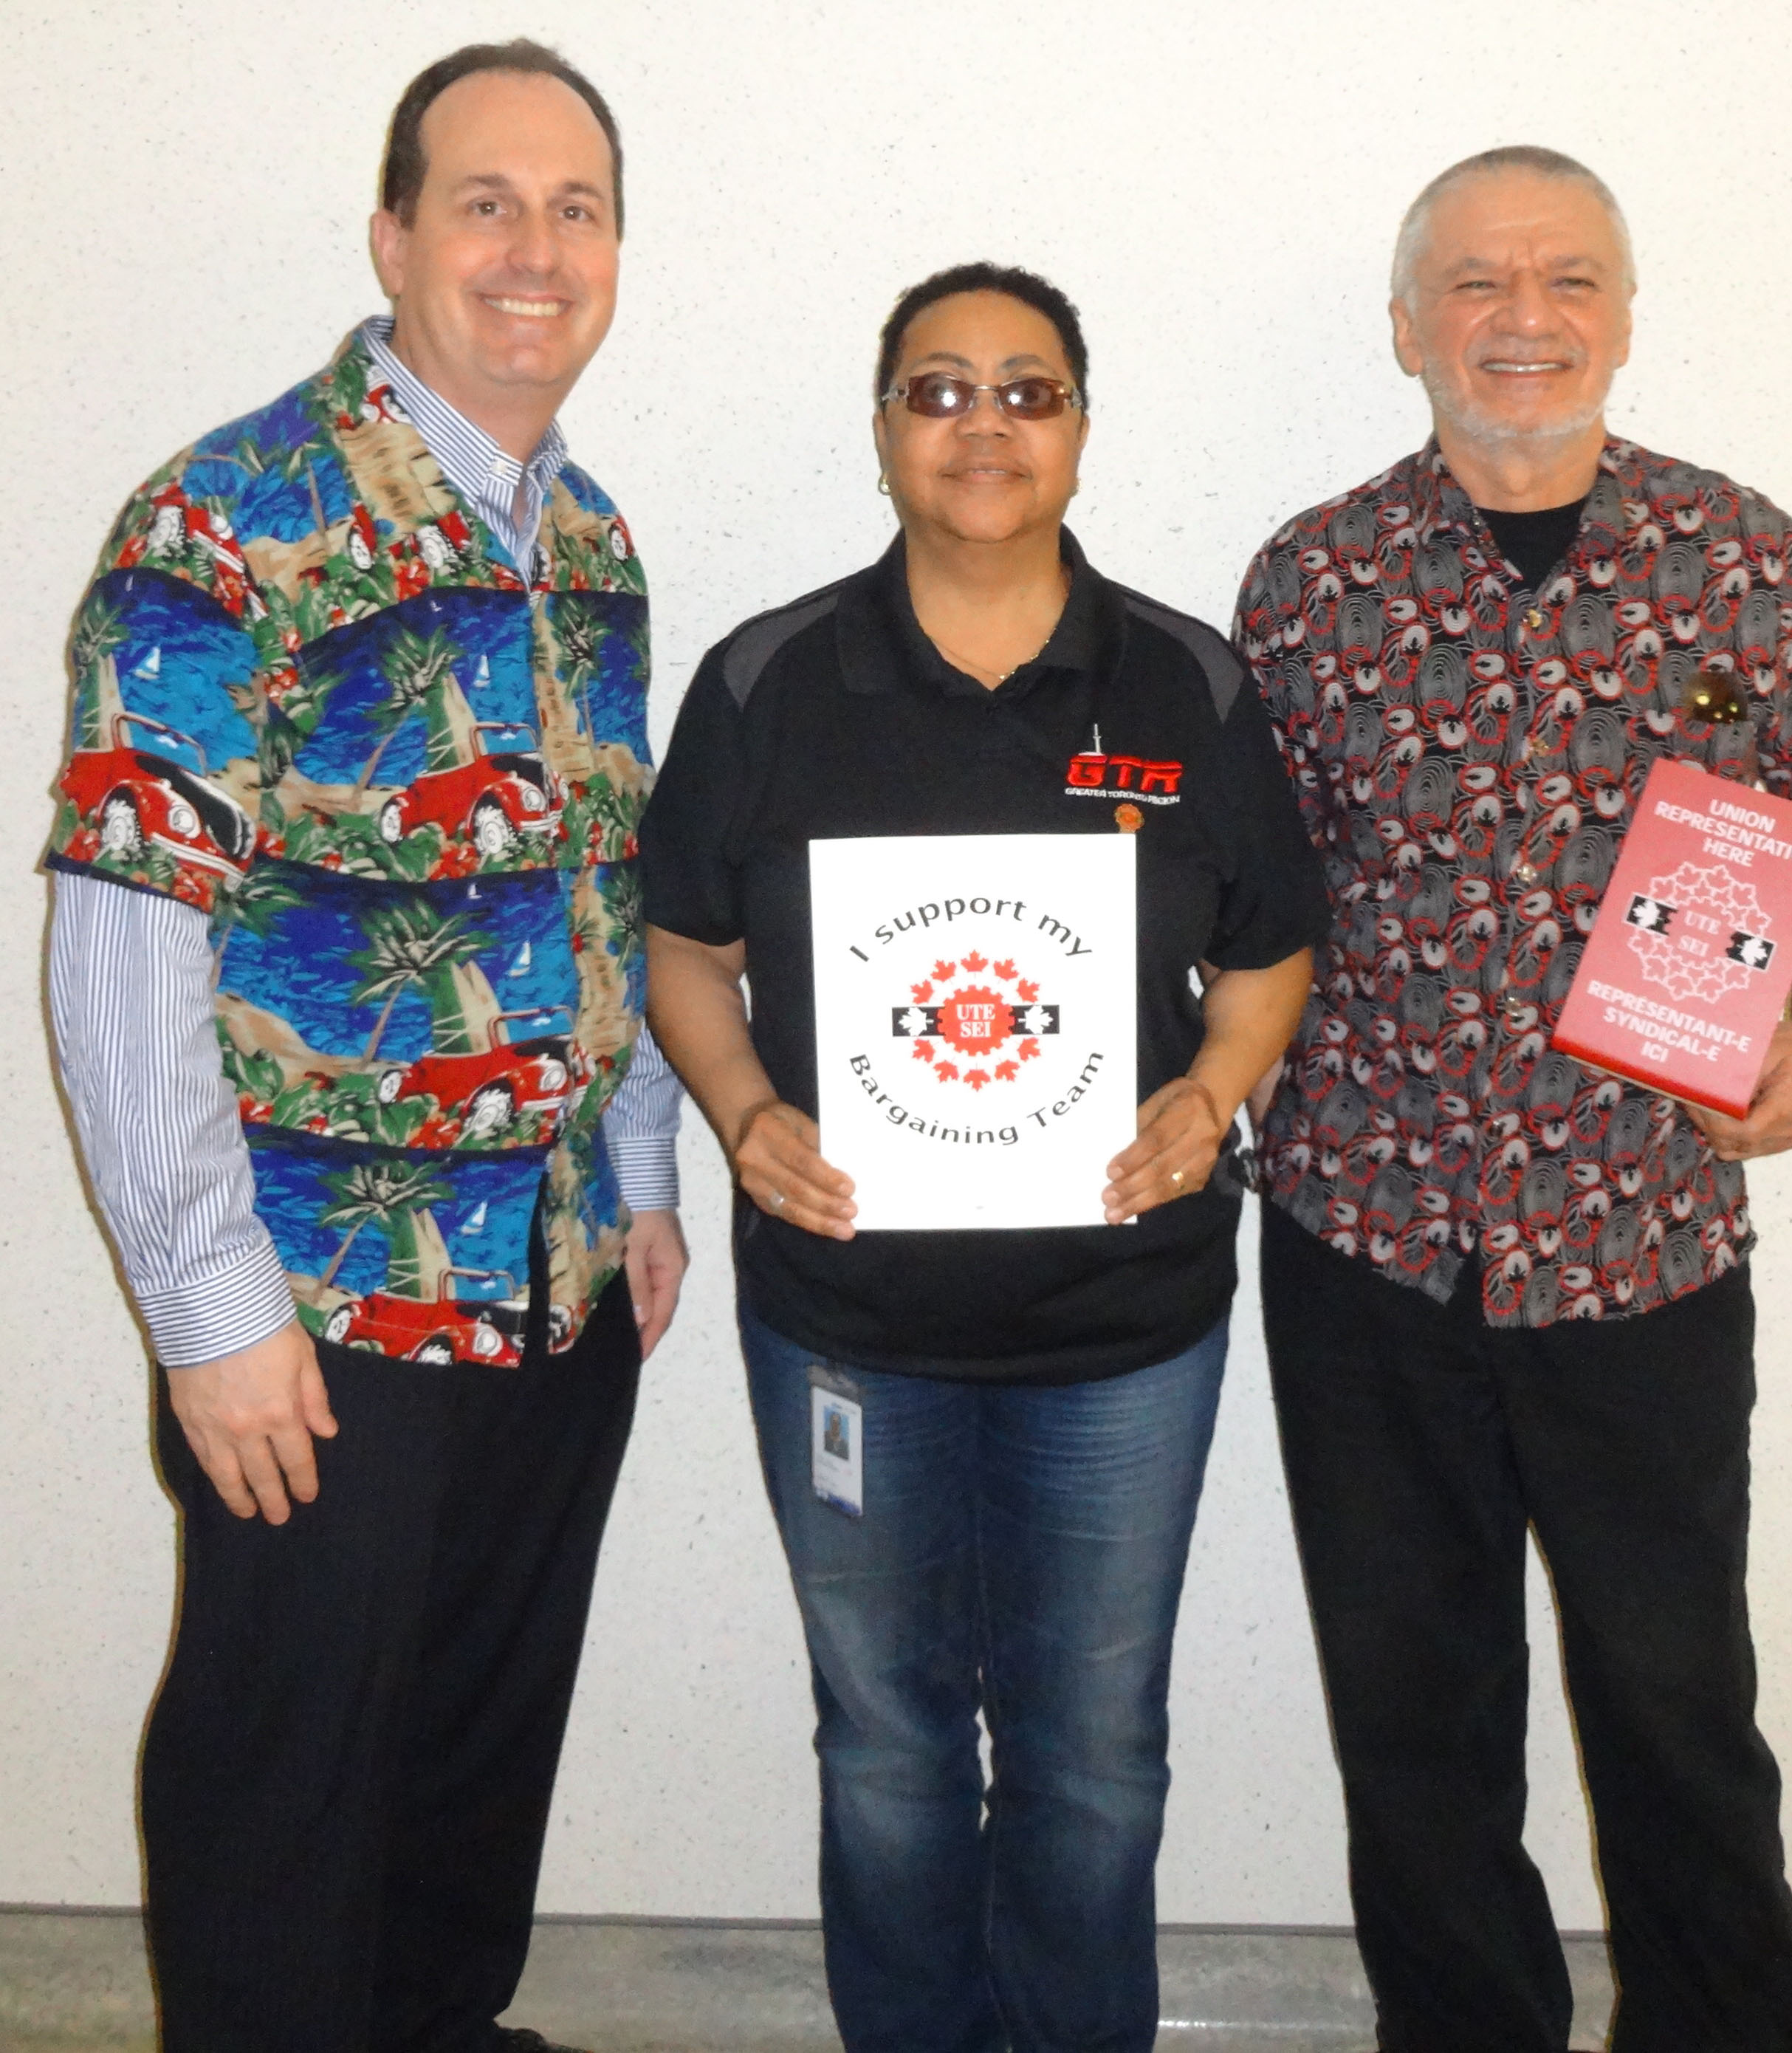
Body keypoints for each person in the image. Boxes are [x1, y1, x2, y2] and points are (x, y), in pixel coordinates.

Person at [44, 40, 685, 2053]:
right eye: (485, 203)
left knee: (473, 1765)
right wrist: (206, 1302)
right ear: (394, 235)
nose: (533, 250)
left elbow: (606, 875)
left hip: (556, 1290)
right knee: (287, 1782)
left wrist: (638, 1176)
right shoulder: (225, 521)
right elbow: (123, 931)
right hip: (318, 1318)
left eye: (575, 210)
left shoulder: (590, 544)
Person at [1235, 147, 1792, 2053]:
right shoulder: (1307, 581)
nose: (1521, 318)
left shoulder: (1736, 556)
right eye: (1473, 282)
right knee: (1413, 1721)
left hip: (1637, 1233)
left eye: (1566, 279)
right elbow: (1247, 898)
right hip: (1365, 1240)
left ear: (1619, 315)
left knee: (1672, 1704)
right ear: (1402, 326)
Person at [640, 263, 1322, 2053]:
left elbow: (1268, 951)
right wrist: (745, 1112)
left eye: (1028, 390)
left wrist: (1214, 1091)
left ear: (1080, 429)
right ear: (882, 431)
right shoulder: (767, 679)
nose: (983, 426)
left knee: (1095, 1754)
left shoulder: (1188, 682)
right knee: (884, 1740)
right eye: (937, 390)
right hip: (845, 1326)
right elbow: (683, 947)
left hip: (1123, 1329)